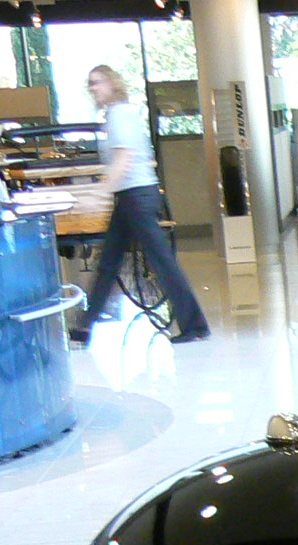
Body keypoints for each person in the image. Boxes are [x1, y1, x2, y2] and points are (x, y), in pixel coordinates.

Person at [71, 64, 208, 344]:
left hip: (137, 197)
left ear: (112, 84)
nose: (93, 88)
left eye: (98, 82)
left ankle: (196, 325)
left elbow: (124, 159)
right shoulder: (117, 114)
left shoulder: (119, 115)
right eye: (90, 83)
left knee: (161, 262)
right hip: (130, 197)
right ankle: (85, 326)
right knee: (109, 263)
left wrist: (100, 193)